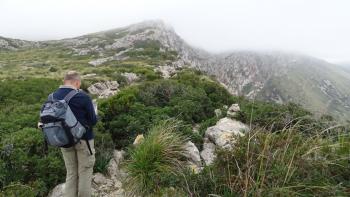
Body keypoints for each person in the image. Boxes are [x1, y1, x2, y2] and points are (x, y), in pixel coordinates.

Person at [51, 71, 97, 197]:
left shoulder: (52, 96)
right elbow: (93, 121)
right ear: (77, 82)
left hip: (63, 140)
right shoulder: (83, 97)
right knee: (85, 171)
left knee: (71, 172)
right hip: (84, 140)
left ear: (64, 81)